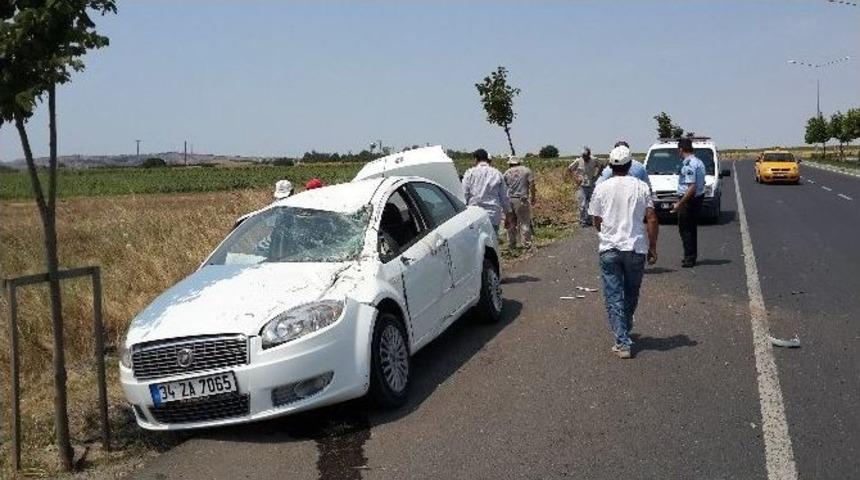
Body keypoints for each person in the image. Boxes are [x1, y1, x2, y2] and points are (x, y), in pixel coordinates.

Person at [588, 145, 659, 359]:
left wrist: (606, 233)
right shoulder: (641, 187)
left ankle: (622, 340)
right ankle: (624, 330)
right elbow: (652, 218)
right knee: (631, 292)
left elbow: (596, 220)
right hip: (635, 248)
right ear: (630, 166)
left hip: (609, 248)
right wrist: (653, 247)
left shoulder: (601, 188)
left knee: (613, 295)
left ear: (610, 166)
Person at [670, 138, 705, 268]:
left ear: (681, 149)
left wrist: (680, 204)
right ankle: (691, 256)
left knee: (685, 229)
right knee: (691, 228)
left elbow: (691, 187)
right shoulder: (699, 162)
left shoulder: (689, 164)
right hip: (697, 198)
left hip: (689, 200)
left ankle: (689, 258)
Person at [462, 149, 514, 231]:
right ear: (486, 158)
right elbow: (504, 197)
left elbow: (464, 195)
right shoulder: (497, 173)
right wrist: (508, 216)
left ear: (476, 159)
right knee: (492, 238)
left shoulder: (469, 173)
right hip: (493, 215)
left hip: (474, 215)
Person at [503, 156, 536, 248]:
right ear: (519, 162)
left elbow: (503, 188)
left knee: (511, 223)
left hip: (509, 199)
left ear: (510, 164)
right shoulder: (526, 170)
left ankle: (512, 244)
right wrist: (533, 197)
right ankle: (526, 244)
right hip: (522, 199)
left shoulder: (506, 172)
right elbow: (532, 185)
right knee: (524, 222)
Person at [568, 146, 600, 227]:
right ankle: (582, 221)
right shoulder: (578, 160)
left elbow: (601, 167)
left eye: (586, 156)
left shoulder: (594, 160)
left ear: (589, 155)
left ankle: (589, 220)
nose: (585, 158)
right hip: (582, 185)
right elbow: (570, 168)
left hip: (591, 183)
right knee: (582, 204)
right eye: (583, 156)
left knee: (590, 203)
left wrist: (596, 176)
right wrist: (576, 178)